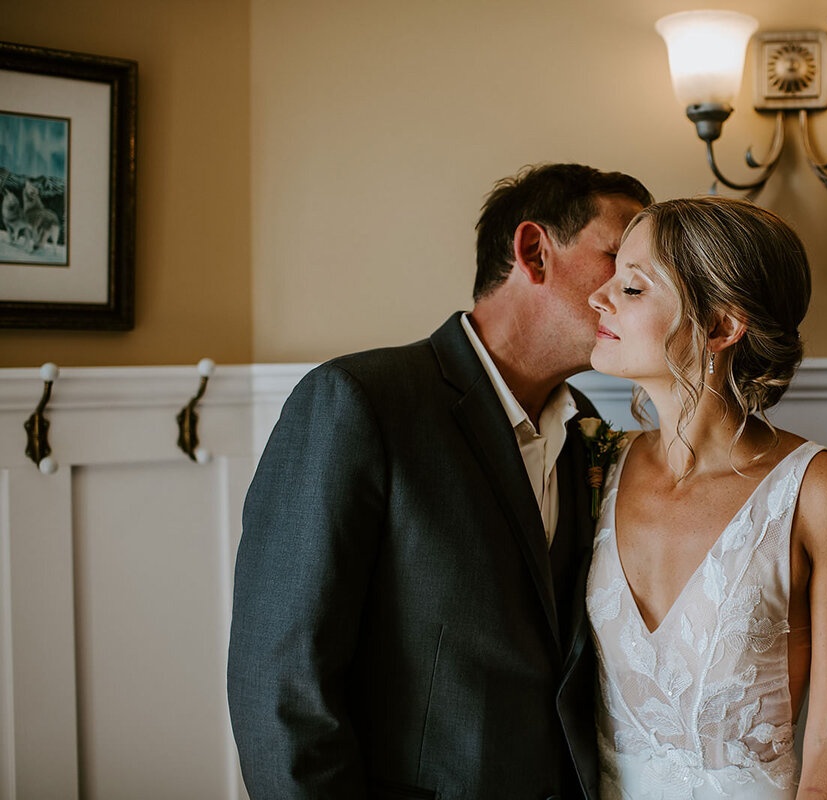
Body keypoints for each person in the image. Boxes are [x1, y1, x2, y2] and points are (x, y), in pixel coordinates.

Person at [227, 163, 652, 799]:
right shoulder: (359, 402)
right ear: (534, 252)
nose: (635, 291)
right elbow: (281, 685)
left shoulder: (586, 431)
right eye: (619, 260)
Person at [585, 197, 827, 799]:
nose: (599, 296)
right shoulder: (595, 467)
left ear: (722, 327)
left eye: (634, 287)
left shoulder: (823, 491)